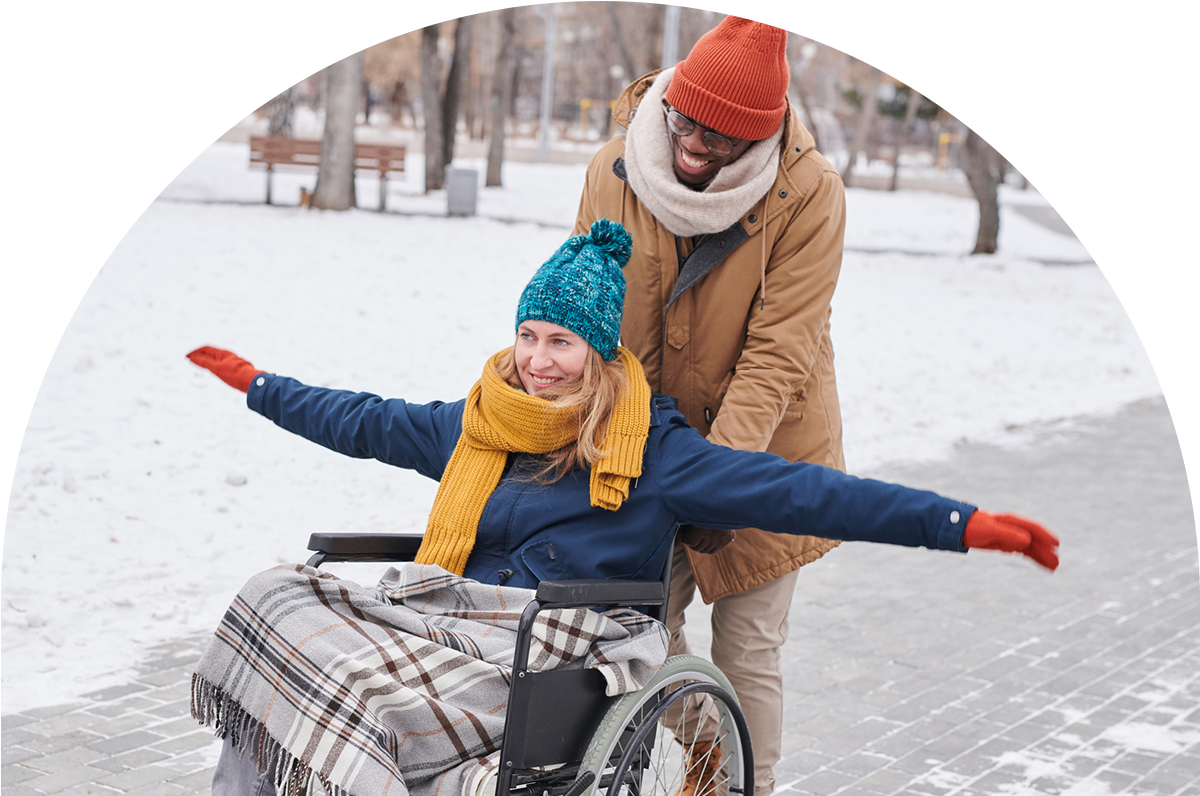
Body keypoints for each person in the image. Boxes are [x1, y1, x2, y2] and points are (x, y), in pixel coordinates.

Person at [187, 220, 1058, 796]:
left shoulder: (655, 452)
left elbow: (803, 492)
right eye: (528, 335)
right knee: (278, 603)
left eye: (560, 342)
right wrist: (259, 386)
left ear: (599, 354)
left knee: (350, 692)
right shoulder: (482, 422)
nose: (536, 360)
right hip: (452, 617)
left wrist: (956, 524)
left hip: (554, 655)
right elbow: (365, 420)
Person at [572, 8, 849, 793]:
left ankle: (742, 786)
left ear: (761, 136)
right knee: (636, 630)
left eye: (720, 139)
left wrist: (720, 475)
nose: (694, 147)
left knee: (749, 644)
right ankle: (707, 743)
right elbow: (588, 317)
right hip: (647, 444)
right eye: (685, 124)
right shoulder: (615, 169)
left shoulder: (810, 195)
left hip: (766, 451)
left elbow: (779, 352)